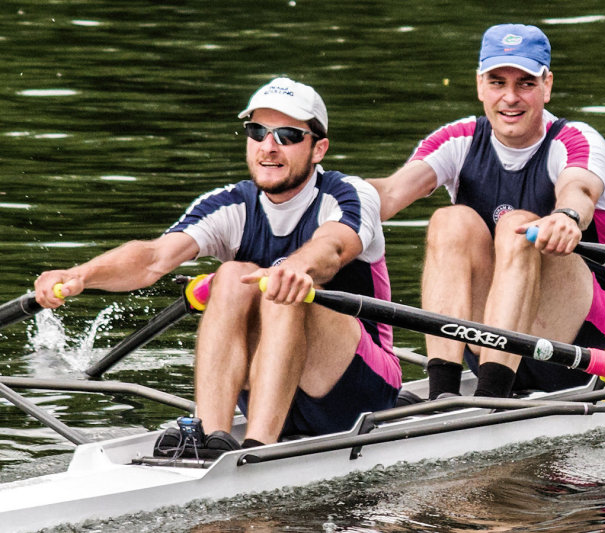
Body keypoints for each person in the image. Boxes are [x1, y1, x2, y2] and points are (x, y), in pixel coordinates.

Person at [34, 77, 401, 457]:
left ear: (318, 148)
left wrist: (295, 268)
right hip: (271, 387)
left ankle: (258, 449)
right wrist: (81, 274)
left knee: (278, 287)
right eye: (257, 131)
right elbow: (152, 258)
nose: (269, 146)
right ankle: (212, 439)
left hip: (357, 388)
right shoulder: (229, 204)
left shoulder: (349, 194)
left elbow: (334, 246)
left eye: (288, 135)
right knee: (230, 277)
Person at [369, 24, 605, 400]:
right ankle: (443, 395)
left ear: (547, 85)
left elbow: (579, 189)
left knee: (517, 226)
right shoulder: (457, 139)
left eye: (525, 83)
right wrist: (328, 196)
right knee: (449, 220)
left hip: (589, 345)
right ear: (480, 86)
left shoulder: (576, 140)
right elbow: (392, 192)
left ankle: (490, 397)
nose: (510, 97)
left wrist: (567, 218)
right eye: (497, 82)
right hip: (497, 338)